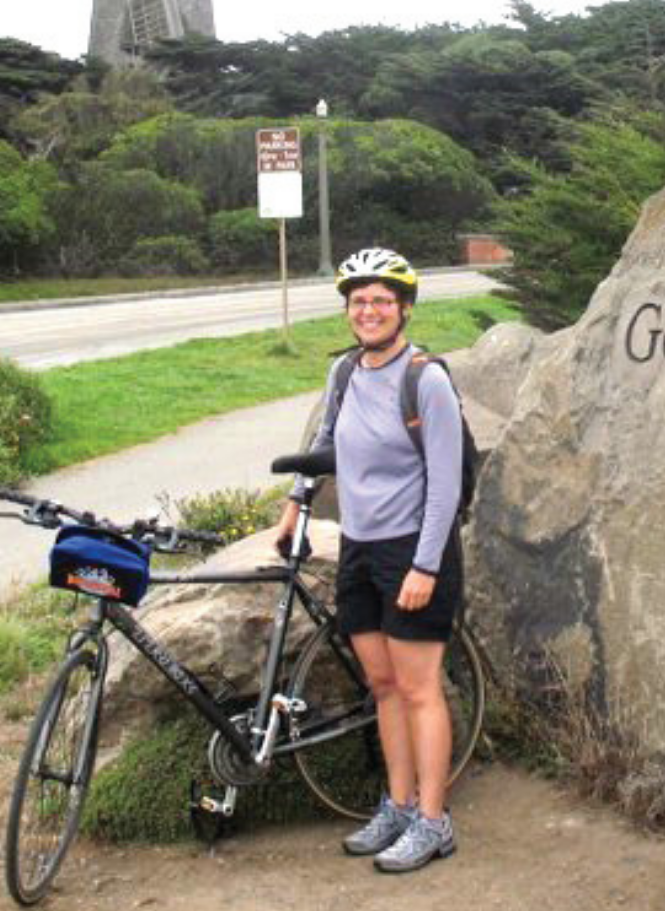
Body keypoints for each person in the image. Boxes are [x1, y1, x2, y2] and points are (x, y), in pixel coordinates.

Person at [274, 247, 465, 873]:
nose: (370, 310)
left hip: (414, 549)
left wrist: (425, 567)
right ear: (348, 311)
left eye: (382, 300)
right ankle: (399, 804)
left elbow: (446, 482)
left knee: (417, 688)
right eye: (359, 301)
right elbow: (324, 445)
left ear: (404, 308)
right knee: (382, 686)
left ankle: (434, 821)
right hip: (358, 546)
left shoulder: (426, 379)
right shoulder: (344, 374)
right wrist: (294, 504)